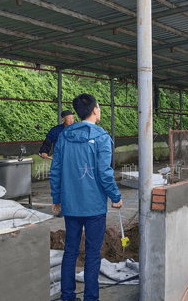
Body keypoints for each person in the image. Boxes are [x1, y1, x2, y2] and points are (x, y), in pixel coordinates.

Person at [49, 94, 122, 301]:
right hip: (94, 208)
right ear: (96, 110)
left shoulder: (64, 136)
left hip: (71, 206)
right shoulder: (101, 137)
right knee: (92, 254)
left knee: (70, 252)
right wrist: (115, 196)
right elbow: (104, 172)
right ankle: (91, 298)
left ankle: (67, 297)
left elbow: (55, 170)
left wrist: (57, 199)